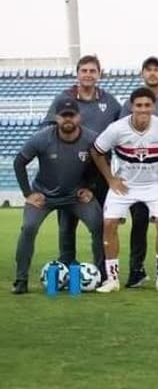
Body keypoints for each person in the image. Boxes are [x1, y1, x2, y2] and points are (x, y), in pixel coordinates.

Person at [91, 87, 158, 293]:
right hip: (125, 185)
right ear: (132, 107)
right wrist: (111, 179)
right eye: (139, 105)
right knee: (110, 223)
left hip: (155, 184)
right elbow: (96, 151)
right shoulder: (117, 129)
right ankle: (112, 280)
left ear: (153, 107)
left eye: (147, 105)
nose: (143, 110)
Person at [11, 98, 103, 294]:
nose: (68, 119)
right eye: (64, 116)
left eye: (72, 115)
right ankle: (21, 280)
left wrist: (90, 188)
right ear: (56, 118)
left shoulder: (92, 139)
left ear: (79, 117)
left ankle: (102, 275)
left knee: (98, 225)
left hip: (75, 196)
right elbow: (19, 162)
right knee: (28, 228)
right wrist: (28, 193)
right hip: (43, 196)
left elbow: (102, 164)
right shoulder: (42, 138)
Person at [44, 54, 120, 271]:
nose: (88, 75)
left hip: (101, 171)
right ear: (77, 73)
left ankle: (103, 269)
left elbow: (122, 131)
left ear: (99, 74)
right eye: (84, 70)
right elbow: (47, 129)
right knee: (67, 223)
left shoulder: (110, 101)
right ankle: (66, 265)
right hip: (71, 171)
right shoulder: (63, 99)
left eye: (92, 71)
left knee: (103, 224)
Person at [121, 56, 158, 288]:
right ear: (142, 74)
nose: (153, 73)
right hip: (139, 168)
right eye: (149, 70)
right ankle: (136, 269)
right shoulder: (129, 104)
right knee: (139, 218)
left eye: (157, 70)